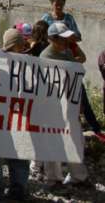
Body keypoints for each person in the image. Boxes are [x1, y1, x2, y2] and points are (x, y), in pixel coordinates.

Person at [39, 22, 93, 187]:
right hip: (53, 106)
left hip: (69, 105)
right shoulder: (46, 57)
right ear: (52, 39)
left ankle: (79, 176)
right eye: (62, 39)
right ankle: (53, 178)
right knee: (53, 140)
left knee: (75, 140)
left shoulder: (68, 52)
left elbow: (75, 76)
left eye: (66, 39)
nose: (65, 42)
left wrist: (79, 103)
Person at [0, 29, 31, 201]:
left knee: (20, 152)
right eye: (20, 44)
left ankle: (17, 188)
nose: (23, 47)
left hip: (19, 115)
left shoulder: (26, 63)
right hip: (0, 114)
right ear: (15, 44)